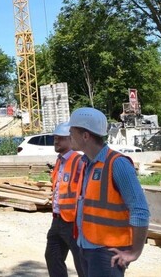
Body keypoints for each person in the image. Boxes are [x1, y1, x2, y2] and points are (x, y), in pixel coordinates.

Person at [68, 107, 150, 276]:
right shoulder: (87, 163)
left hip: (107, 253)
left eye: (72, 132)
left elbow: (140, 210)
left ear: (85, 136)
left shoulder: (117, 164)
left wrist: (134, 252)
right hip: (86, 247)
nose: (69, 136)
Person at [45, 121, 85, 277]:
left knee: (81, 262)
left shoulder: (79, 161)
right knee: (52, 256)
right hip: (57, 219)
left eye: (60, 138)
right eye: (55, 137)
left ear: (71, 139)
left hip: (73, 222)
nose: (56, 141)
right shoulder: (59, 160)